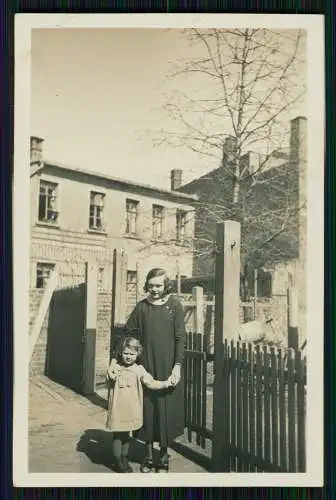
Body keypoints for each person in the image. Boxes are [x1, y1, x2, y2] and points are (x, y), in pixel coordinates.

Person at [124, 267, 186, 473]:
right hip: (146, 366)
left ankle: (164, 453)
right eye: (151, 285)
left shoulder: (175, 306)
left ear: (166, 285)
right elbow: (129, 335)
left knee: (165, 410)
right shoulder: (141, 308)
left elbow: (180, 338)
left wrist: (177, 365)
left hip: (168, 366)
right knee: (147, 410)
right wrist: (127, 363)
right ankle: (149, 455)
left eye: (158, 285)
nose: (154, 289)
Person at [106, 336, 172, 473]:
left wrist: (166, 383)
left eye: (132, 354)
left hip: (132, 408)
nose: (128, 357)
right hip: (118, 408)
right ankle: (118, 460)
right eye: (125, 353)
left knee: (128, 434)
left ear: (137, 354)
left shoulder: (139, 369)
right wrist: (110, 375)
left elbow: (151, 382)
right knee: (118, 434)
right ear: (121, 353)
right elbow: (109, 380)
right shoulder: (116, 369)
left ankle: (124, 457)